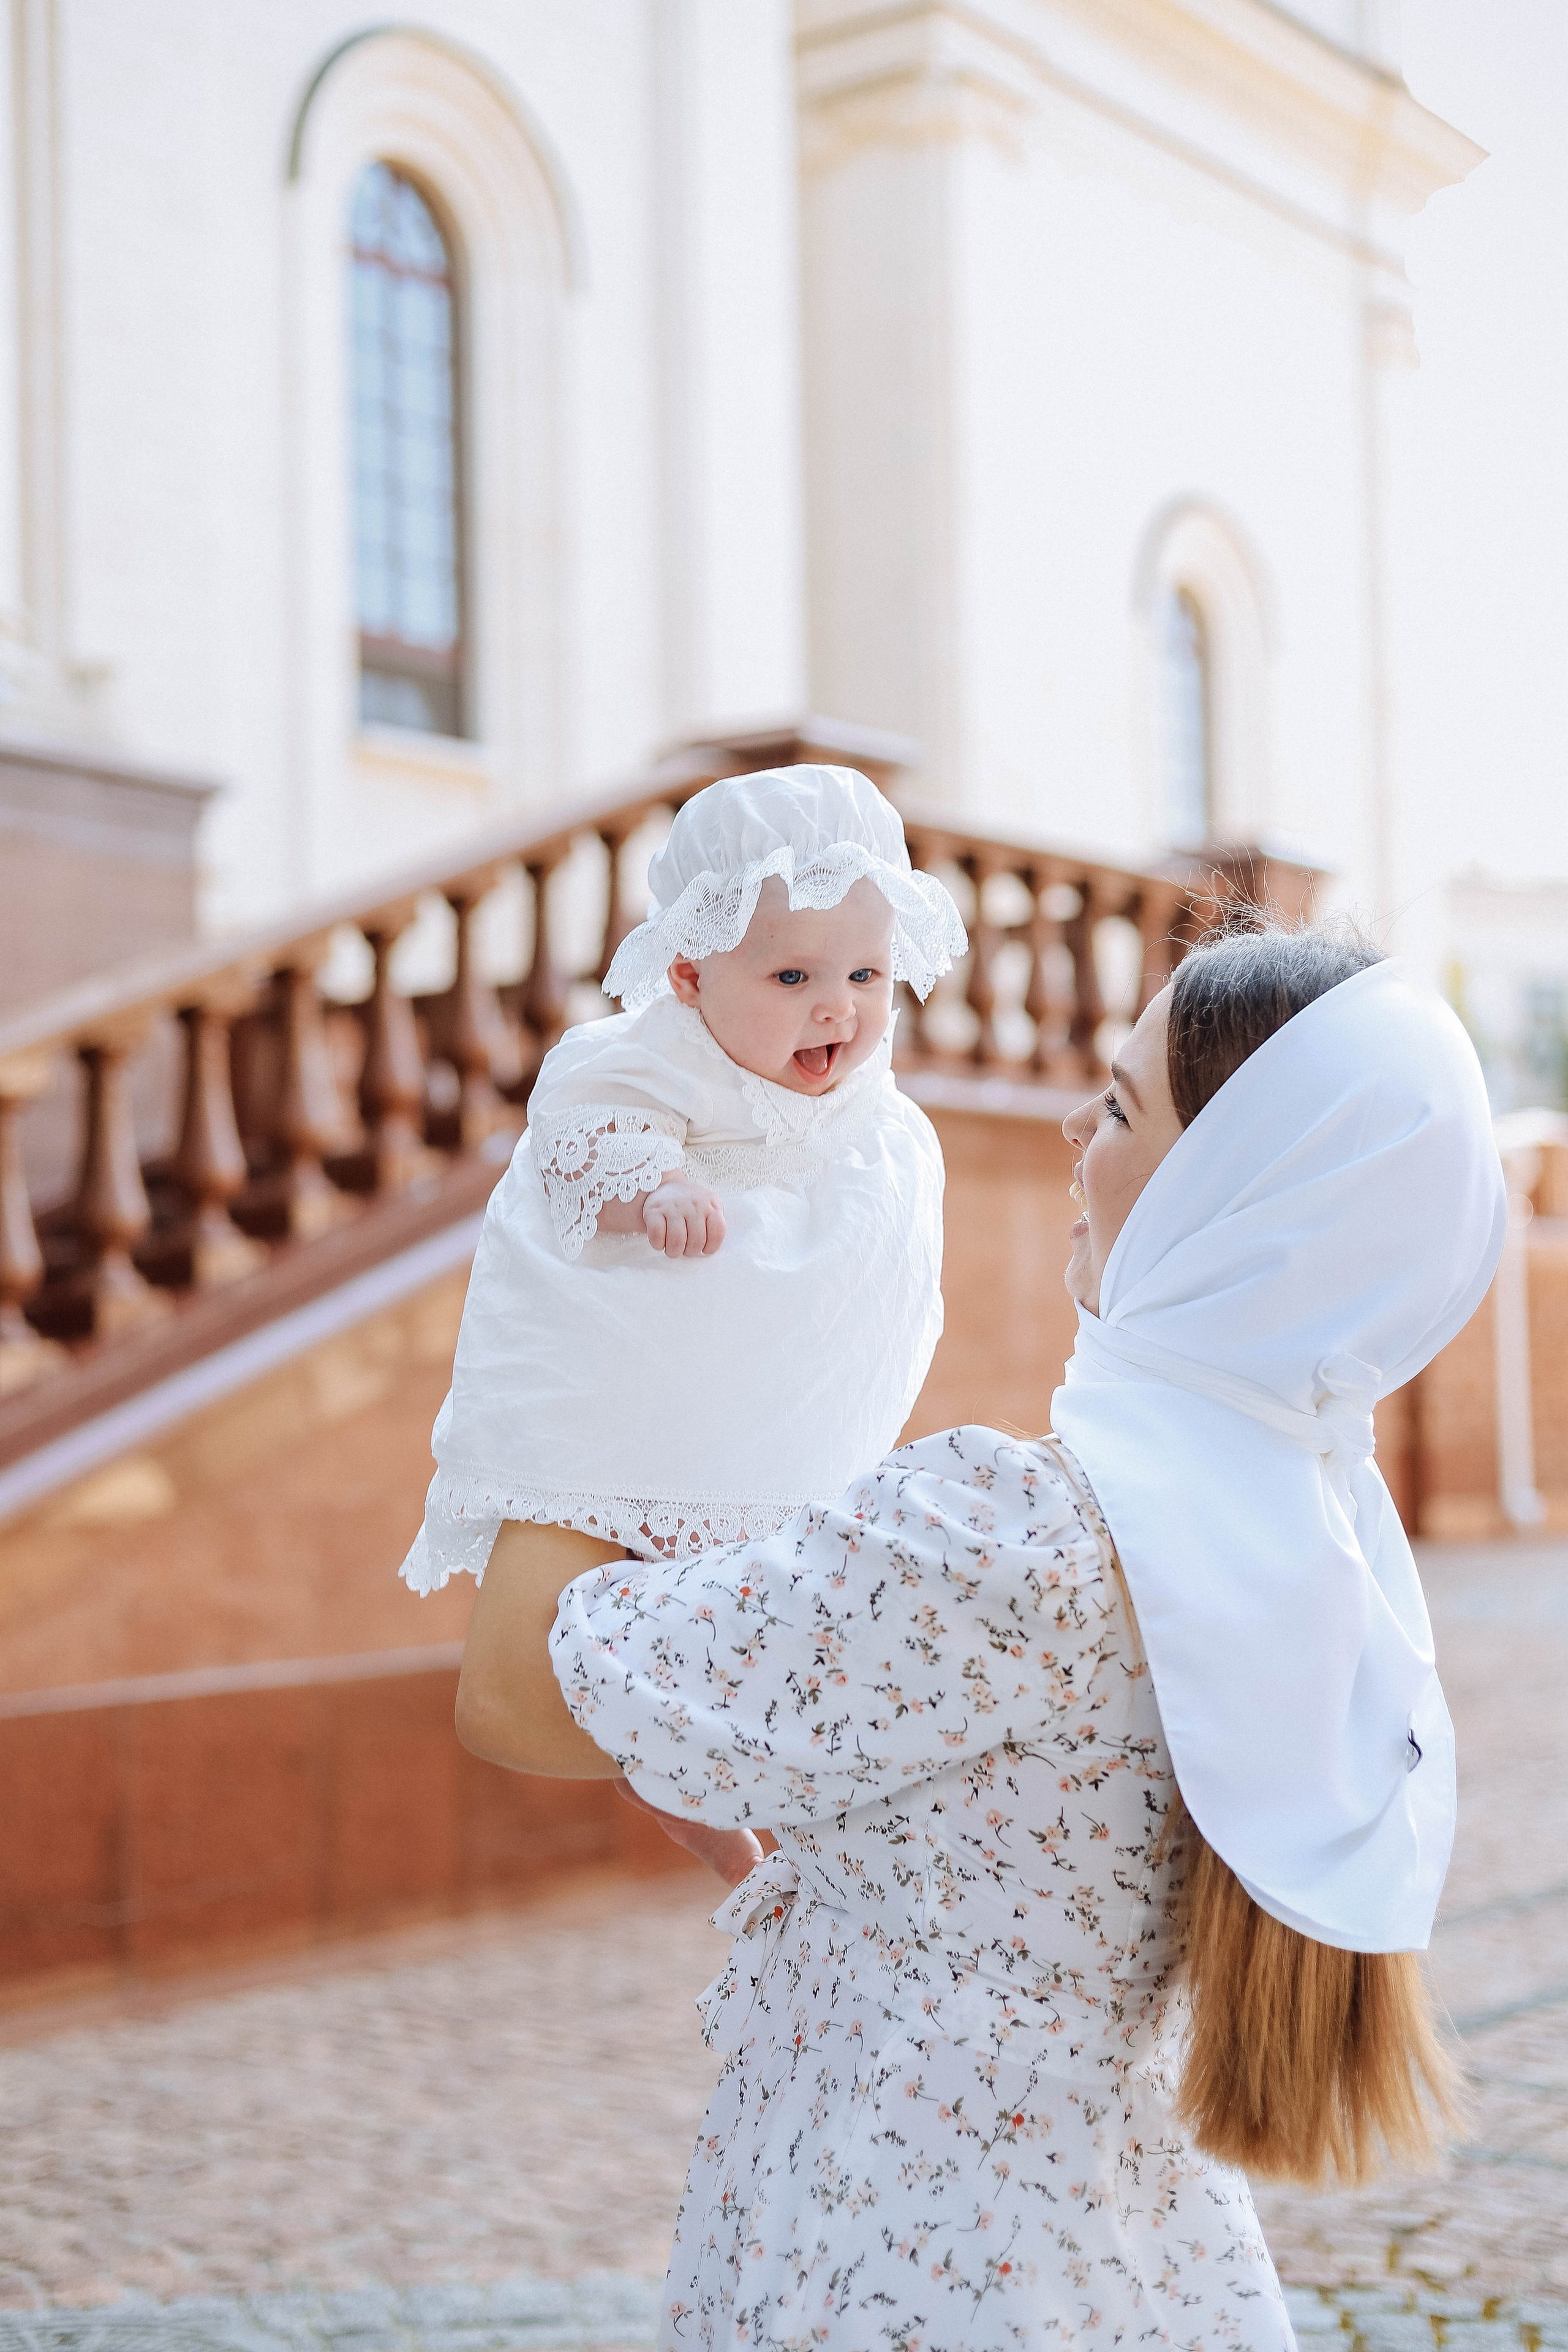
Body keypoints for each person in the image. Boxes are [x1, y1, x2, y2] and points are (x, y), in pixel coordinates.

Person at [455, 924, 1506, 2352]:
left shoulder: (1009, 1534)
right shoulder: (1309, 1518)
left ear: (1228, 1196)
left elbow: (519, 1692)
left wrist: (586, 1306)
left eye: (1125, 1109)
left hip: (902, 2243)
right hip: (1108, 2242)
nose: (1079, 1131)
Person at [399, 761, 966, 1600]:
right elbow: (588, 1120)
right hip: (667, 1350)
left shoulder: (872, 1100)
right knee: (649, 1434)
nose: (839, 1009)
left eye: (866, 976)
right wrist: (650, 1185)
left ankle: (796, 1503)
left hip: (791, 1361)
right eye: (792, 978)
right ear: (690, 978)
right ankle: (650, 1518)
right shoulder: (664, 1050)